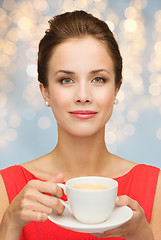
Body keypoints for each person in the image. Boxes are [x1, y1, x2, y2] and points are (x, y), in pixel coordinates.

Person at [0, 10, 161, 240]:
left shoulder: (155, 187)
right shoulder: (8, 187)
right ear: (45, 91)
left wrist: (142, 236)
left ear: (116, 89)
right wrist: (9, 224)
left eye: (98, 79)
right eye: (66, 80)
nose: (83, 95)